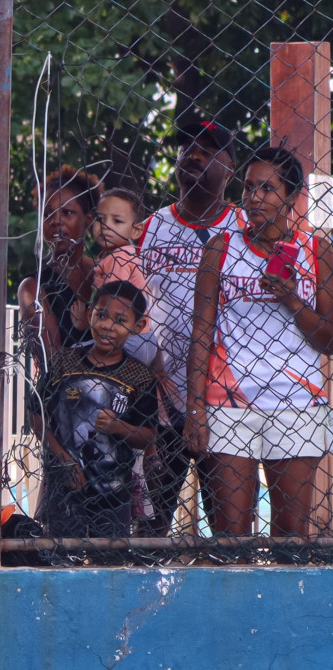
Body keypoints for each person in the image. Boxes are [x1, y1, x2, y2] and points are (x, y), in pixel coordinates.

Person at [185, 144, 333, 541]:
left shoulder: (317, 251)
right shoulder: (221, 249)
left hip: (297, 404)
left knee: (290, 533)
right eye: (249, 188)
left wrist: (290, 298)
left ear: (291, 196)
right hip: (228, 403)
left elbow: (329, 339)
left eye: (267, 189)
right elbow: (201, 332)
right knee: (231, 535)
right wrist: (194, 408)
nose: (254, 198)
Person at [139, 119, 241, 534]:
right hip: (162, 399)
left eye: (207, 148)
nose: (193, 155)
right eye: (186, 148)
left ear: (230, 167)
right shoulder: (149, 228)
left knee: (228, 527)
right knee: (151, 525)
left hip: (226, 397)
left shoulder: (245, 229)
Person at [33, 282, 158, 547]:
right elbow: (36, 413)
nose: (107, 326)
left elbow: (148, 436)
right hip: (65, 486)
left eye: (120, 320)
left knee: (111, 563)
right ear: (89, 313)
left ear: (138, 326)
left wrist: (118, 427)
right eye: (101, 314)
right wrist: (63, 458)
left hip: (114, 490)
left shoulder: (140, 377)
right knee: (62, 558)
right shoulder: (64, 362)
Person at [17, 166, 101, 356]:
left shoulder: (106, 272)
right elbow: (53, 360)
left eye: (67, 212)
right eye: (47, 214)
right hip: (62, 385)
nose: (55, 221)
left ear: (88, 219)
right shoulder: (33, 287)